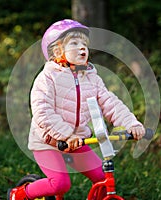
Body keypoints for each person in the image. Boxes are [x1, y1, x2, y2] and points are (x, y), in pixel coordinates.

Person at [8, 19, 145, 200]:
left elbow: (110, 103)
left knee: (102, 178)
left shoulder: (91, 78)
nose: (82, 48)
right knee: (60, 184)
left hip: (77, 142)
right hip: (49, 142)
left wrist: (131, 123)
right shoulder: (47, 78)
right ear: (57, 51)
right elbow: (43, 111)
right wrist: (66, 135)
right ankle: (19, 194)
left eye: (84, 44)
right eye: (74, 43)